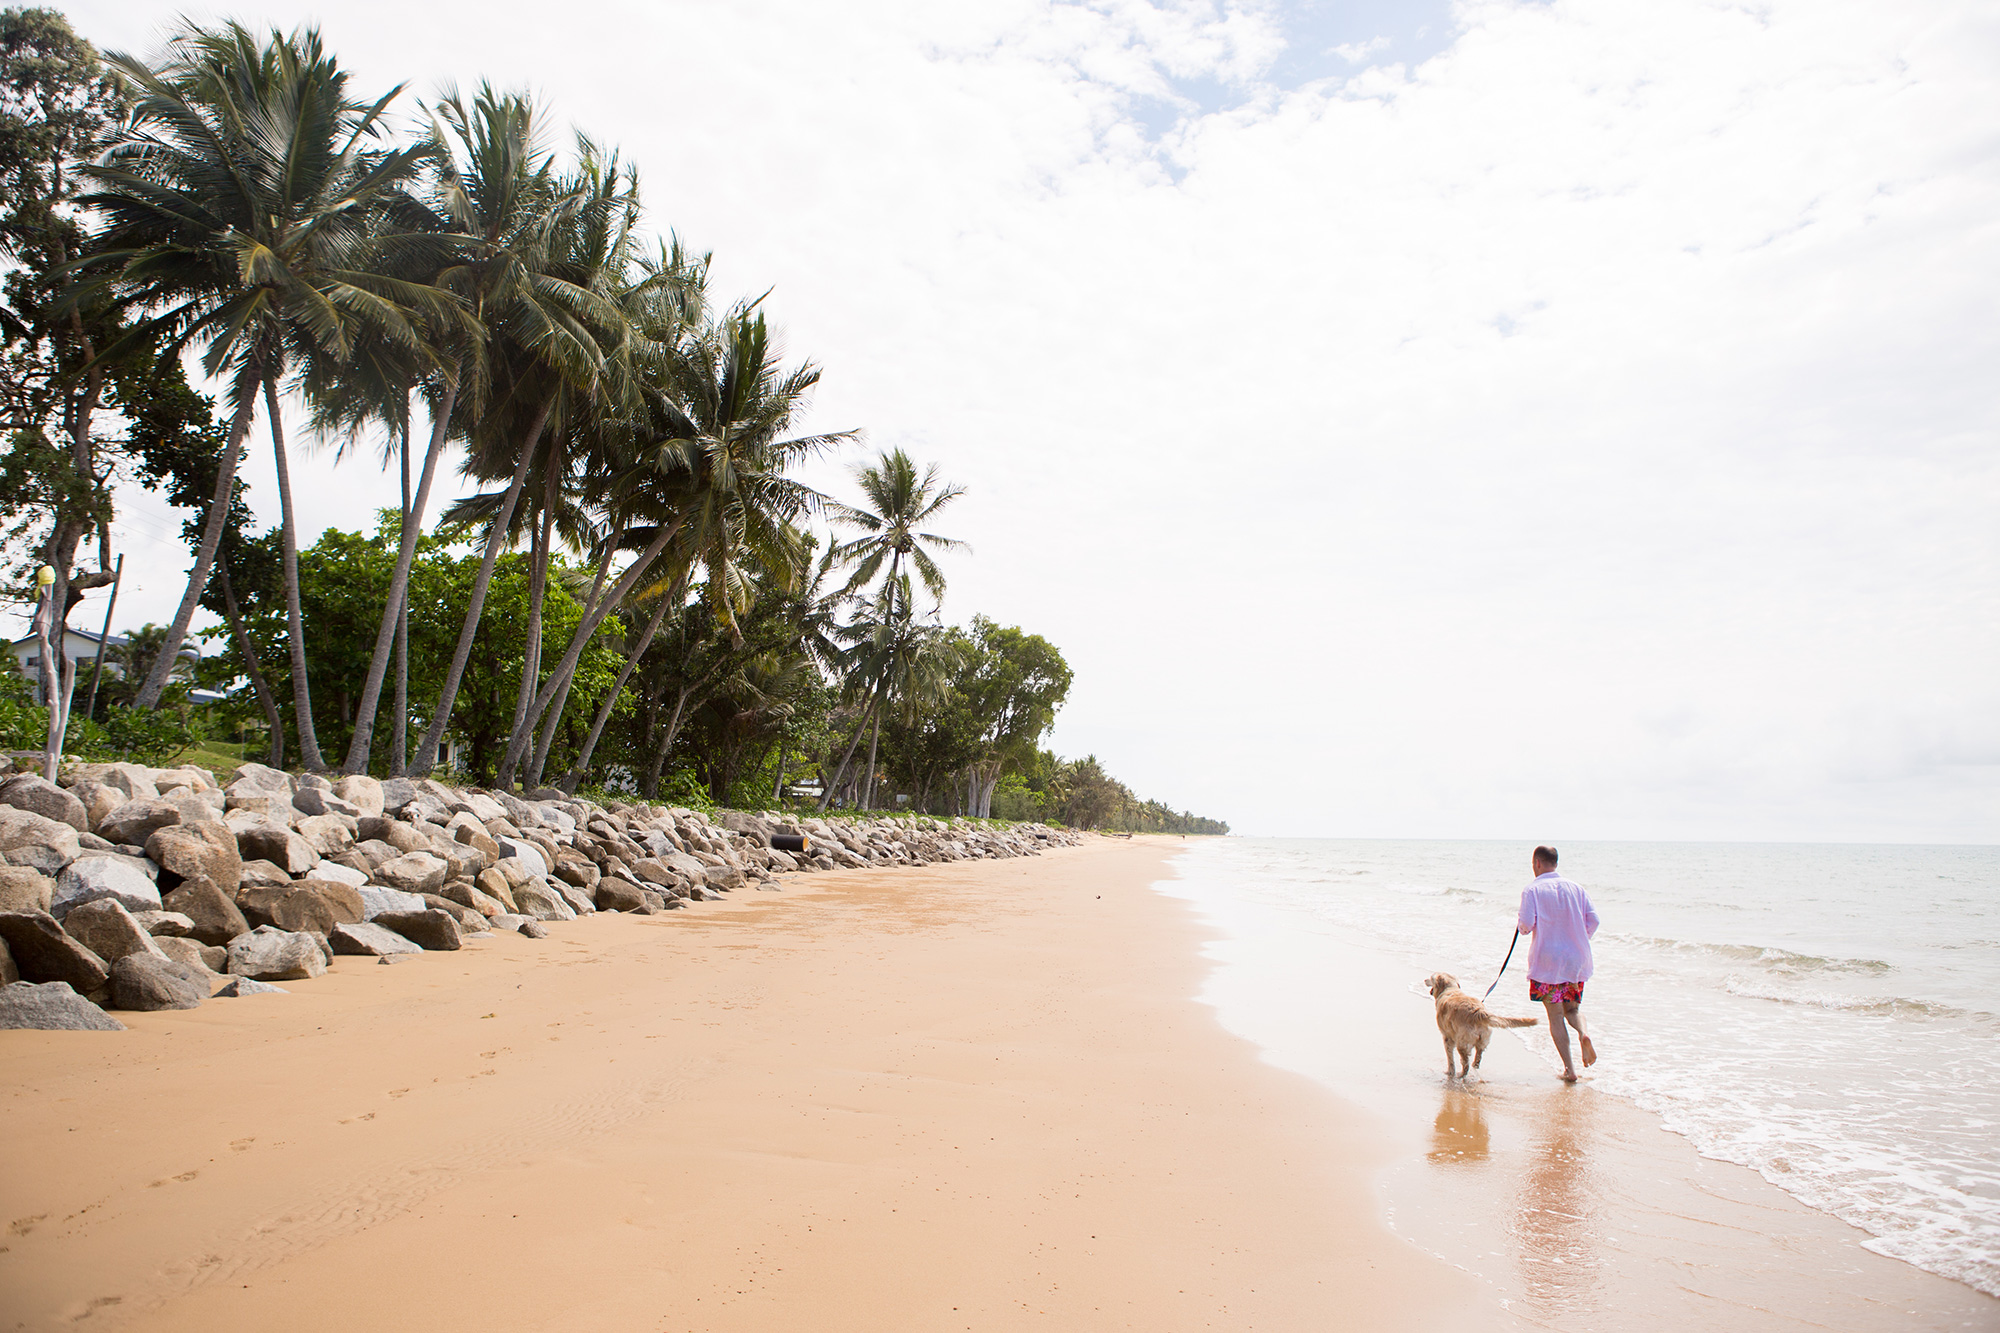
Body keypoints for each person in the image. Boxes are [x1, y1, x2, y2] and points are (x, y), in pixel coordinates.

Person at [1515, 845, 1598, 1082]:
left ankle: (1570, 1070)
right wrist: (1578, 938)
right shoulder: (1577, 888)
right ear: (1556, 863)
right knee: (1572, 1009)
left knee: (1555, 1016)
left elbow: (1526, 925)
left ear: (1537, 863)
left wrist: (1522, 924)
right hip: (1576, 959)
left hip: (1548, 962)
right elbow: (1594, 920)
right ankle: (1583, 1033)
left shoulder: (1532, 890)